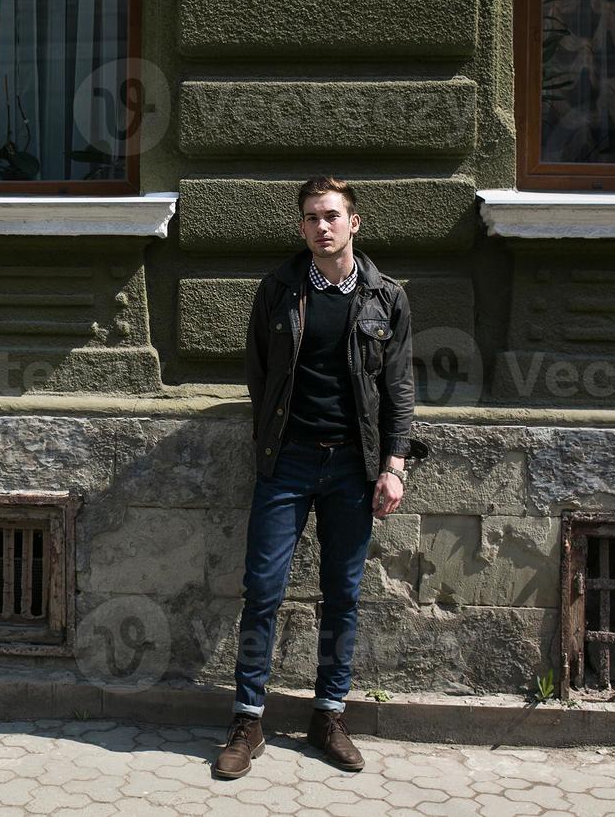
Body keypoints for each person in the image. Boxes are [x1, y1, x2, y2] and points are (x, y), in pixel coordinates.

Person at [214, 176, 429, 778]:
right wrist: (272, 442)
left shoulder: (387, 297)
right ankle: (248, 718)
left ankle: (328, 714)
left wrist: (393, 465)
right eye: (311, 218)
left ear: (353, 222)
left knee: (343, 596)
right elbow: (259, 375)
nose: (321, 226)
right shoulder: (279, 291)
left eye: (331, 215)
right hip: (288, 462)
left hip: (353, 469)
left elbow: (399, 388)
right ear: (301, 226)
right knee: (263, 591)